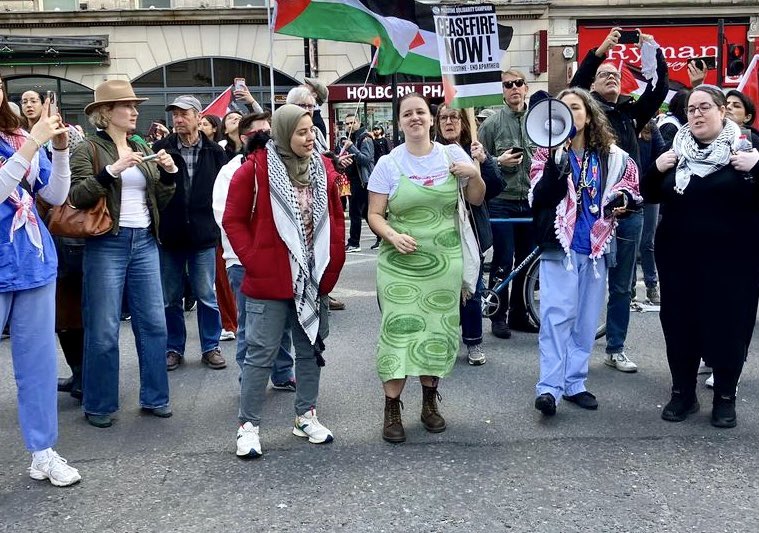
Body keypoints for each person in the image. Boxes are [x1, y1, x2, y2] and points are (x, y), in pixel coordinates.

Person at [223, 104, 346, 458]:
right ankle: (248, 427)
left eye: (312, 131)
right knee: (260, 354)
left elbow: (335, 219)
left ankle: (305, 416)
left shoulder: (323, 168)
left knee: (310, 350)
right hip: (270, 279)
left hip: (312, 276)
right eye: (302, 132)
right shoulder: (255, 170)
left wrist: (332, 262)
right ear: (283, 133)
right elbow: (232, 220)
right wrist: (256, 260)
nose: (310, 138)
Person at [367, 93, 485, 443]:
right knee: (397, 333)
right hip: (399, 265)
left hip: (444, 265)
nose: (415, 118)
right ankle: (391, 408)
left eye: (420, 112)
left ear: (431, 119)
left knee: (436, 332)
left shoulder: (453, 155)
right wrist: (391, 234)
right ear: (400, 122)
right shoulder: (388, 163)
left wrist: (474, 173)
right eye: (408, 114)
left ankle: (429, 404)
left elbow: (477, 197)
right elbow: (374, 214)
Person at [642, 85, 759, 428]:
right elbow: (648, 193)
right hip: (679, 260)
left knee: (728, 327)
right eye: (691, 108)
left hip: (733, 262)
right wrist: (657, 168)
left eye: (705, 107)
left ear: (722, 111)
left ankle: (725, 397)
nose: (696, 114)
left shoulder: (747, 148)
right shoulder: (676, 149)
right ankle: (683, 394)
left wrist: (758, 166)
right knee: (680, 327)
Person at [69, 79, 178, 428]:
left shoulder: (141, 143)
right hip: (107, 244)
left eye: (134, 105)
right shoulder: (87, 148)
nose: (134, 111)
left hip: (144, 240)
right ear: (105, 112)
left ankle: (155, 398)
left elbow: (158, 199)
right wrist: (111, 170)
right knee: (102, 329)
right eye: (126, 106)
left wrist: (169, 175)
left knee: (154, 325)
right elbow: (77, 197)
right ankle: (99, 404)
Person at [530, 88, 640, 416]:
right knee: (555, 318)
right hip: (559, 249)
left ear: (589, 116)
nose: (568, 113)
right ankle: (549, 388)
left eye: (575, 107)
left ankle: (574, 382)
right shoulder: (546, 154)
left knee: (586, 321)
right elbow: (540, 197)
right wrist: (556, 160)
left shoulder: (613, 156)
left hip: (595, 250)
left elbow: (630, 187)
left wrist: (622, 200)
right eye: (562, 108)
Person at [570, 28, 668, 373]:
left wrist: (652, 53)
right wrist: (601, 51)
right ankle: (575, 343)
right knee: (583, 281)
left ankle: (615, 347)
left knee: (623, 284)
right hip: (590, 213)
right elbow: (576, 86)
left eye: (615, 74)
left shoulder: (630, 114)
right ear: (593, 87)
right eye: (604, 75)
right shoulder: (586, 114)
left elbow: (659, 91)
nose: (611, 77)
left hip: (627, 211)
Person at [0, 77, 81, 486]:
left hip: (32, 261)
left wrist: (61, 150)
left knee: (38, 366)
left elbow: (54, 192)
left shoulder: (15, 136)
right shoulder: (24, 140)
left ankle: (43, 452)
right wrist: (33, 141)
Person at [212, 111, 296, 390]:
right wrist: (250, 255)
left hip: (281, 259)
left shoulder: (283, 167)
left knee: (282, 321)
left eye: (267, 133)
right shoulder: (231, 171)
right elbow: (225, 217)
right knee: (250, 325)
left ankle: (283, 373)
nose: (263, 138)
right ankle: (250, 379)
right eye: (256, 133)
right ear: (243, 137)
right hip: (243, 261)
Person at [152, 95, 228, 372]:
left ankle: (211, 346)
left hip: (203, 234)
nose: (178, 119)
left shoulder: (214, 152)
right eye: (175, 114)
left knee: (207, 294)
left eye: (184, 114)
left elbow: (222, 194)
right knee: (170, 296)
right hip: (170, 234)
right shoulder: (161, 149)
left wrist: (218, 228)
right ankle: (173, 347)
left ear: (198, 117)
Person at [435, 103, 503, 365]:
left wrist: (484, 163)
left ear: (463, 122)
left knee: (472, 289)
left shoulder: (474, 151)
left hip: (471, 231)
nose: (449, 122)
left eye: (454, 117)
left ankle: (473, 342)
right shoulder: (432, 152)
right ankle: (445, 340)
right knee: (442, 290)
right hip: (441, 230)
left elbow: (494, 188)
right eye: (444, 118)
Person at [478, 69, 536, 339]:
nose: (514, 88)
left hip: (531, 200)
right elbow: (478, 160)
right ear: (502, 91)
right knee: (503, 259)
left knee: (526, 261)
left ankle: (519, 314)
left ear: (526, 87)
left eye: (518, 83)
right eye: (507, 85)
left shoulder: (539, 120)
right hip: (502, 200)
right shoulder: (491, 124)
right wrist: (498, 161)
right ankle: (497, 315)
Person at [634, 120, 666, 305]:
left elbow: (661, 151)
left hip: (650, 192)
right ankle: (629, 288)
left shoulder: (651, 126)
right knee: (629, 241)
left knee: (648, 241)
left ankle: (651, 285)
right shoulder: (623, 124)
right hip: (628, 191)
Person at [343, 112, 375, 253]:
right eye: (347, 123)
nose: (350, 125)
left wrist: (351, 148)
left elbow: (366, 159)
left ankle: (354, 242)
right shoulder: (352, 138)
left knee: (355, 212)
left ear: (358, 122)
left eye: (352, 122)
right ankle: (382, 237)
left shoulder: (365, 139)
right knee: (368, 213)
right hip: (354, 179)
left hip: (363, 181)